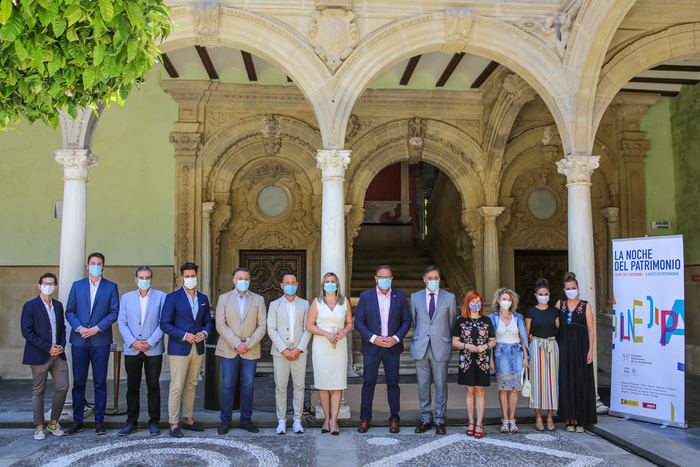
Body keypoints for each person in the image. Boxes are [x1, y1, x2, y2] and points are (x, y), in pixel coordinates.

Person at [65, 252, 119, 435]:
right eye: (93, 263)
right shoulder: (77, 286)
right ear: (87, 266)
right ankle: (77, 421)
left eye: (99, 263)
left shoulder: (111, 287)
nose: (96, 266)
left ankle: (99, 422)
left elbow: (114, 312)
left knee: (100, 382)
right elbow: (69, 311)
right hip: (79, 340)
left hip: (100, 340)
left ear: (103, 267)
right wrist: (79, 328)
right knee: (78, 382)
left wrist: (97, 328)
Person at [354, 265, 411, 434]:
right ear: (376, 278)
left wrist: (395, 338)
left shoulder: (399, 296)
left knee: (393, 384)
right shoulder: (366, 296)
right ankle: (365, 418)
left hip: (392, 347)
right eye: (381, 277)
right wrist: (374, 338)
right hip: (372, 347)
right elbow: (359, 322)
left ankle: (394, 419)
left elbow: (406, 321)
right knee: (368, 383)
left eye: (388, 277)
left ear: (392, 279)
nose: (384, 280)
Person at [160, 262, 212, 438]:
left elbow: (208, 321)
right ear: (182, 277)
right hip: (179, 348)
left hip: (197, 347)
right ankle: (174, 423)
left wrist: (204, 333)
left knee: (192, 384)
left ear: (197, 276)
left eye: (193, 276)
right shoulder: (172, 298)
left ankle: (188, 418)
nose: (190, 279)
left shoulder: (203, 299)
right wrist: (184, 335)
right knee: (177, 386)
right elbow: (165, 324)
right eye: (187, 276)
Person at [215, 267, 267, 434]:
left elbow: (262, 325)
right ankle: (225, 420)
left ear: (249, 281)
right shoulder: (224, 299)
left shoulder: (258, 299)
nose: (243, 281)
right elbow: (220, 324)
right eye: (240, 278)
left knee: (248, 385)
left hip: (250, 350)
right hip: (230, 348)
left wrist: (249, 343)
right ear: (234, 281)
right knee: (228, 384)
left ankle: (246, 420)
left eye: (246, 278)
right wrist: (237, 343)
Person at [116, 267, 167, 436]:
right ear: (135, 279)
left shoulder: (161, 297)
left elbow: (163, 322)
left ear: (151, 279)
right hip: (132, 350)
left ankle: (154, 422)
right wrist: (133, 342)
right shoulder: (126, 298)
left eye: (147, 277)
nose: (144, 280)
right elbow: (122, 322)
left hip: (153, 350)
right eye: (141, 277)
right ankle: (131, 422)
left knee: (153, 386)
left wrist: (150, 342)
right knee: (132, 387)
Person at [21, 272, 69, 440]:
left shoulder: (58, 305)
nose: (48, 286)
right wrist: (47, 347)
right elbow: (27, 331)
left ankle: (53, 422)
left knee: (63, 387)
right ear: (39, 286)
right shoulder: (30, 306)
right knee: (38, 390)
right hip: (39, 355)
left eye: (51, 284)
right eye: (45, 283)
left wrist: (61, 346)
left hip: (58, 355)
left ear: (55, 287)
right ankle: (39, 426)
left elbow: (62, 328)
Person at [410, 266, 456, 435]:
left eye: (436, 278)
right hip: (421, 346)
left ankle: (440, 420)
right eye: (430, 278)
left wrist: (442, 337)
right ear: (424, 279)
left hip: (440, 346)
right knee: (423, 385)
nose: (434, 281)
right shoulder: (415, 297)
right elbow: (415, 320)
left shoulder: (449, 298)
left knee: (441, 385)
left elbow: (451, 322)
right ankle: (425, 418)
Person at [305, 272, 353, 435]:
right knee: (324, 384)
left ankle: (334, 421)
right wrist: (326, 334)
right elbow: (309, 325)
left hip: (339, 345)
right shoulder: (317, 302)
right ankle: (326, 419)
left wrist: (343, 332)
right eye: (327, 281)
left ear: (337, 284)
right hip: (322, 345)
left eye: (333, 281)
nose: (330, 284)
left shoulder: (344, 301)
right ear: (323, 285)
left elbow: (349, 323)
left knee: (337, 384)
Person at [267, 271, 311, 434]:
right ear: (282, 285)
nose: (290, 286)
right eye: (287, 283)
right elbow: (271, 329)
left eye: (293, 283)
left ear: (297, 285)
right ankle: (282, 420)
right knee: (281, 387)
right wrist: (284, 349)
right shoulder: (274, 305)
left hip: (299, 352)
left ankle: (297, 420)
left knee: (299, 386)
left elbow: (308, 329)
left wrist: (299, 348)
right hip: (280, 353)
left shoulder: (305, 304)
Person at [451, 291, 495, 439]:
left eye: (478, 301)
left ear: (481, 303)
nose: (475, 303)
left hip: (482, 361)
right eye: (472, 301)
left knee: (480, 392)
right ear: (467, 303)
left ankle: (479, 423)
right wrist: (466, 346)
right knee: (469, 391)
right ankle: (471, 422)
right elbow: (455, 341)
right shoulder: (461, 321)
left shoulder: (487, 320)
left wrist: (486, 346)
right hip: (467, 360)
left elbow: (493, 340)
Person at [557, 272, 596, 432]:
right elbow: (554, 325)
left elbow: (591, 330)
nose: (571, 290)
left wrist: (590, 351)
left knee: (580, 382)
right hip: (565, 348)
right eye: (568, 288)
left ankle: (581, 419)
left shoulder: (586, 305)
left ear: (578, 288)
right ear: (564, 290)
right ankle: (569, 418)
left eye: (573, 288)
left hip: (581, 349)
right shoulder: (560, 304)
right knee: (566, 381)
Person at [489, 287, 529, 434]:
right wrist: (491, 359)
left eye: (509, 299)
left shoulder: (518, 317)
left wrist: (526, 356)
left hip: (517, 352)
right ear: (498, 300)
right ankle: (504, 420)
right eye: (504, 299)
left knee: (514, 388)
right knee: (504, 387)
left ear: (513, 301)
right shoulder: (492, 318)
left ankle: (513, 419)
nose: (506, 301)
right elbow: (491, 340)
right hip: (500, 353)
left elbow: (523, 337)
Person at [525, 278, 559, 431]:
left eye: (546, 293)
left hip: (551, 346)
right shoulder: (531, 311)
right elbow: (526, 333)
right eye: (540, 294)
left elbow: (560, 330)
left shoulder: (554, 311)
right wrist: (526, 350)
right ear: (535, 295)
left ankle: (550, 415)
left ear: (549, 294)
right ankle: (538, 415)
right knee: (537, 382)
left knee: (552, 382)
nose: (543, 296)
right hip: (536, 346)